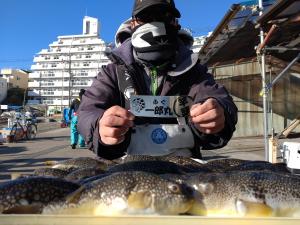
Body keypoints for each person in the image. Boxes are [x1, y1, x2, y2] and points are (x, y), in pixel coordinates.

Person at [78, 0, 238, 160]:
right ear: (133, 23)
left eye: (165, 16)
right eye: (146, 17)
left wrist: (219, 113)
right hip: (126, 169)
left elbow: (218, 99)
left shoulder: (193, 69)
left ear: (175, 23)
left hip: (184, 169)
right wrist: (100, 125)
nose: (155, 23)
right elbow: (87, 111)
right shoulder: (114, 70)